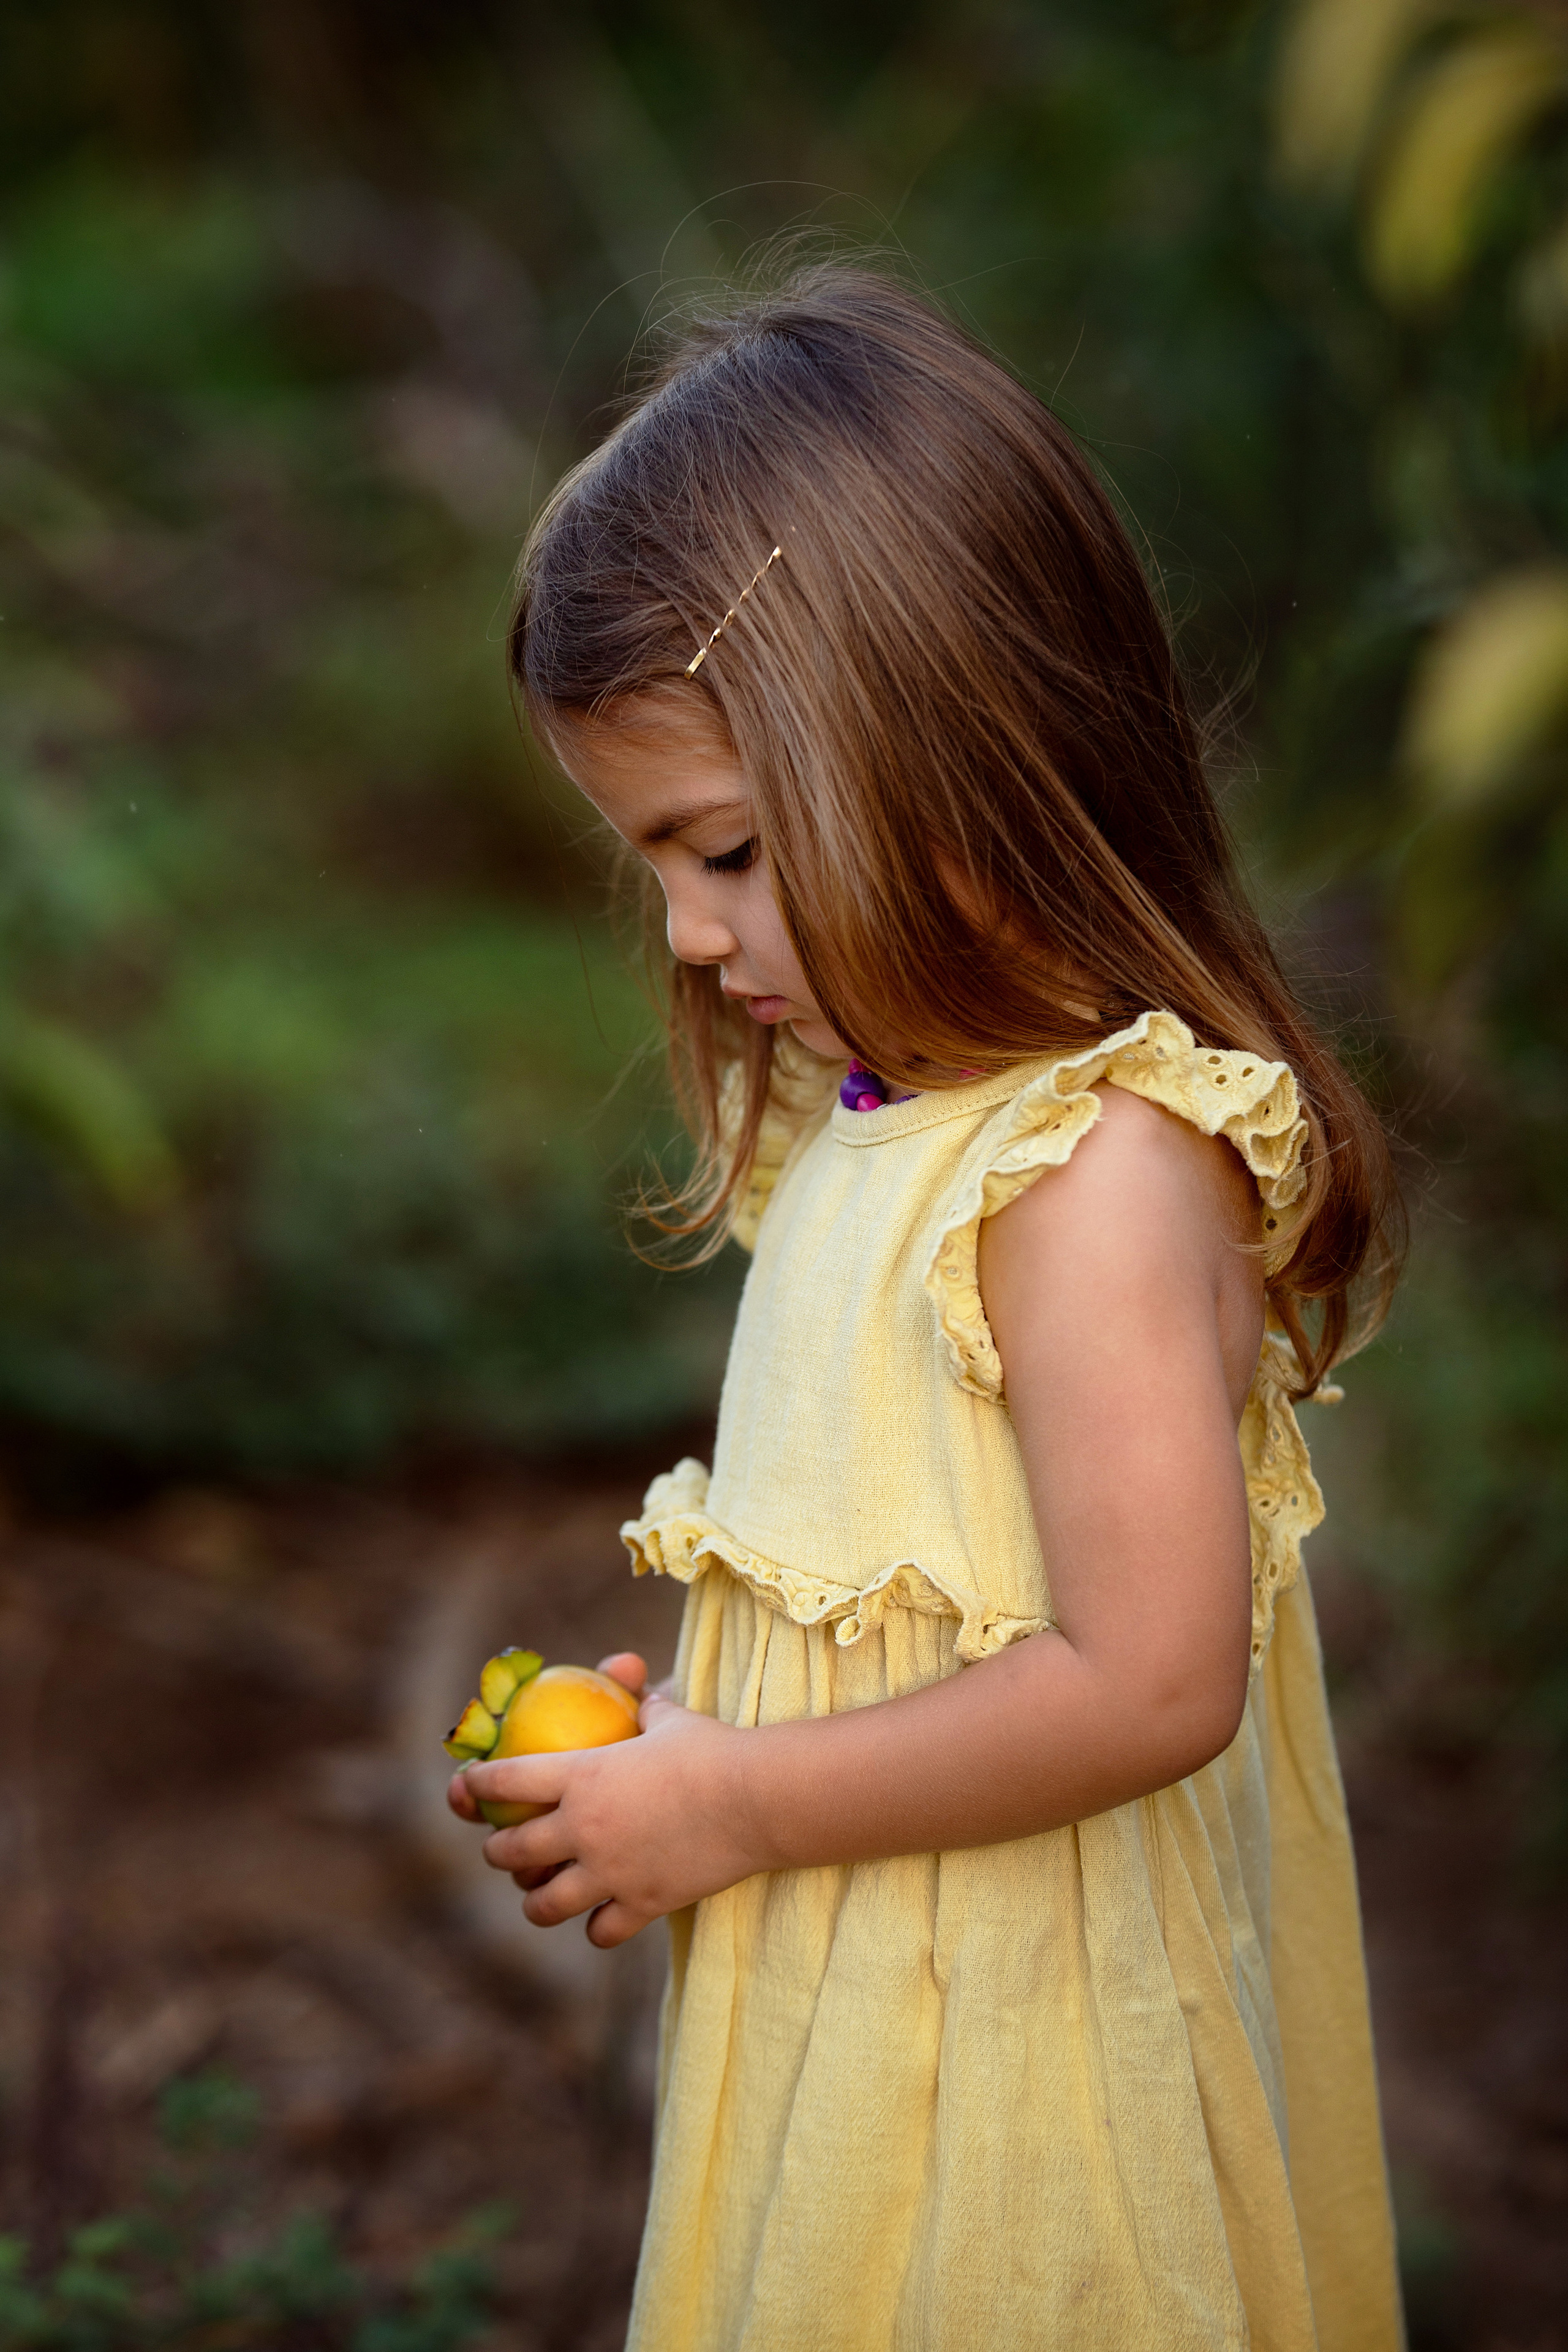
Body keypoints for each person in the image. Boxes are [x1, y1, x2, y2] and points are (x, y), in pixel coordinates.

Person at [448, 266, 1407, 2351]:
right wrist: (704, 1747)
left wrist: (734, 1801)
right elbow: (930, 1605)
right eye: (658, 876)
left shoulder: (1093, 1172)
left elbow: (1152, 1681)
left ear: (947, 745)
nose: (694, 942)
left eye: (724, 853)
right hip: (879, 2007)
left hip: (1026, 2080)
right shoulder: (886, 1116)